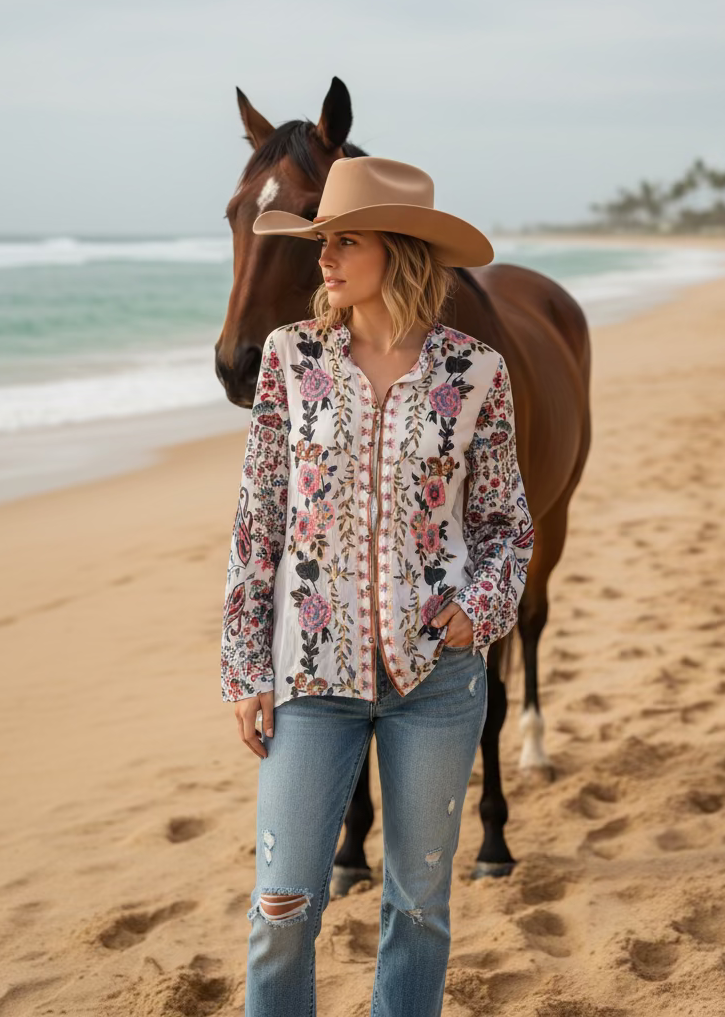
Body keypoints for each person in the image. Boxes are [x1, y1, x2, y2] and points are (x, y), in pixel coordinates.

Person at [221, 156, 534, 1016]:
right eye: (320, 241)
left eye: (343, 241)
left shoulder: (476, 374)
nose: (322, 258)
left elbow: (509, 522)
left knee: (419, 908)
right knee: (282, 908)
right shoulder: (291, 358)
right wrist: (247, 669)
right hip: (309, 682)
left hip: (436, 685)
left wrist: (479, 613)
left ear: (395, 251)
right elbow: (258, 523)